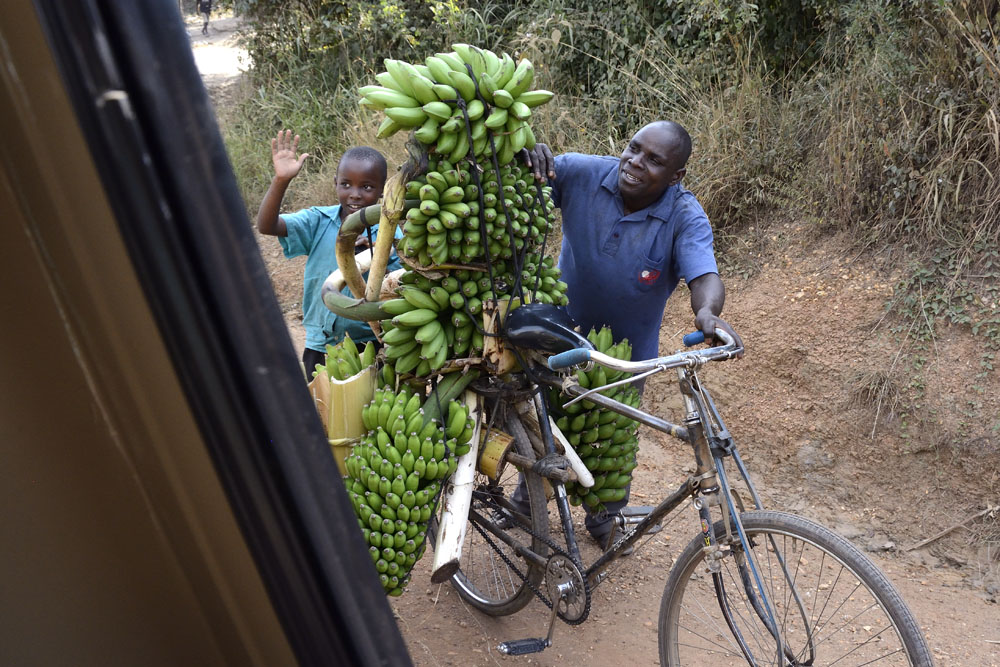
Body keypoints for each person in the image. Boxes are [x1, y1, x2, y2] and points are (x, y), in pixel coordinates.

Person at [515, 120, 744, 551]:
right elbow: (521, 181)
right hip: (562, 335)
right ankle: (529, 501)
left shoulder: (683, 215)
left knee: (612, 439)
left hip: (627, 356)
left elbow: (703, 274)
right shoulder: (581, 173)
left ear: (676, 176)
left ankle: (604, 519)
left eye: (654, 160)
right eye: (634, 149)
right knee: (545, 422)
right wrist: (531, 154)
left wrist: (708, 314)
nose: (635, 163)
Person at [257, 129, 400, 376]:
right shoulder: (317, 221)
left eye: (366, 187)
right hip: (319, 344)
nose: (355, 194)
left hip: (370, 344)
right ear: (335, 183)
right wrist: (282, 180)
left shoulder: (392, 237)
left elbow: (398, 288)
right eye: (346, 184)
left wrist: (377, 262)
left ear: (381, 191)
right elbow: (266, 226)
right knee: (321, 407)